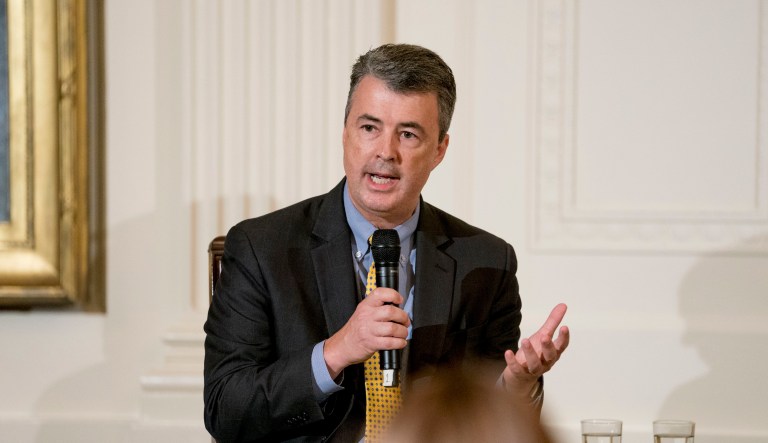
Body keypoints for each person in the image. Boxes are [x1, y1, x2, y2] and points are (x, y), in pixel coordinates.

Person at [204, 43, 569, 443]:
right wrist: (335, 352)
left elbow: (491, 425)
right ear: (345, 134)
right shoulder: (262, 248)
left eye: (408, 134)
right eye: (369, 128)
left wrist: (514, 388)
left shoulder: (486, 261)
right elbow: (226, 410)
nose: (385, 152)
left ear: (439, 150)